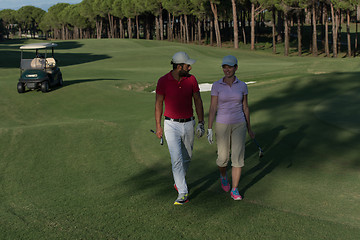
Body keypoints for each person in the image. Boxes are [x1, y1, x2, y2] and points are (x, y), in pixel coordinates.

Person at [155, 52, 205, 205]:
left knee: (187, 158)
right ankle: (183, 193)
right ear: (178, 67)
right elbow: (158, 104)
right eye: (187, 65)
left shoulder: (191, 79)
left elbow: (198, 100)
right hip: (170, 125)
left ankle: (178, 181)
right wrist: (158, 126)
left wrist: (201, 122)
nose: (189, 67)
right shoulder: (163, 81)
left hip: (189, 123)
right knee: (176, 159)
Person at [207, 55, 255, 200]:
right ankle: (223, 176)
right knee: (222, 159)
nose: (227, 70)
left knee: (238, 158)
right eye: (224, 67)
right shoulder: (216, 85)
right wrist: (209, 128)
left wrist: (249, 128)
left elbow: (245, 107)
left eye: (230, 67)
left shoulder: (242, 85)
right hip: (222, 124)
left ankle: (235, 189)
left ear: (236, 67)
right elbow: (213, 107)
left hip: (239, 123)